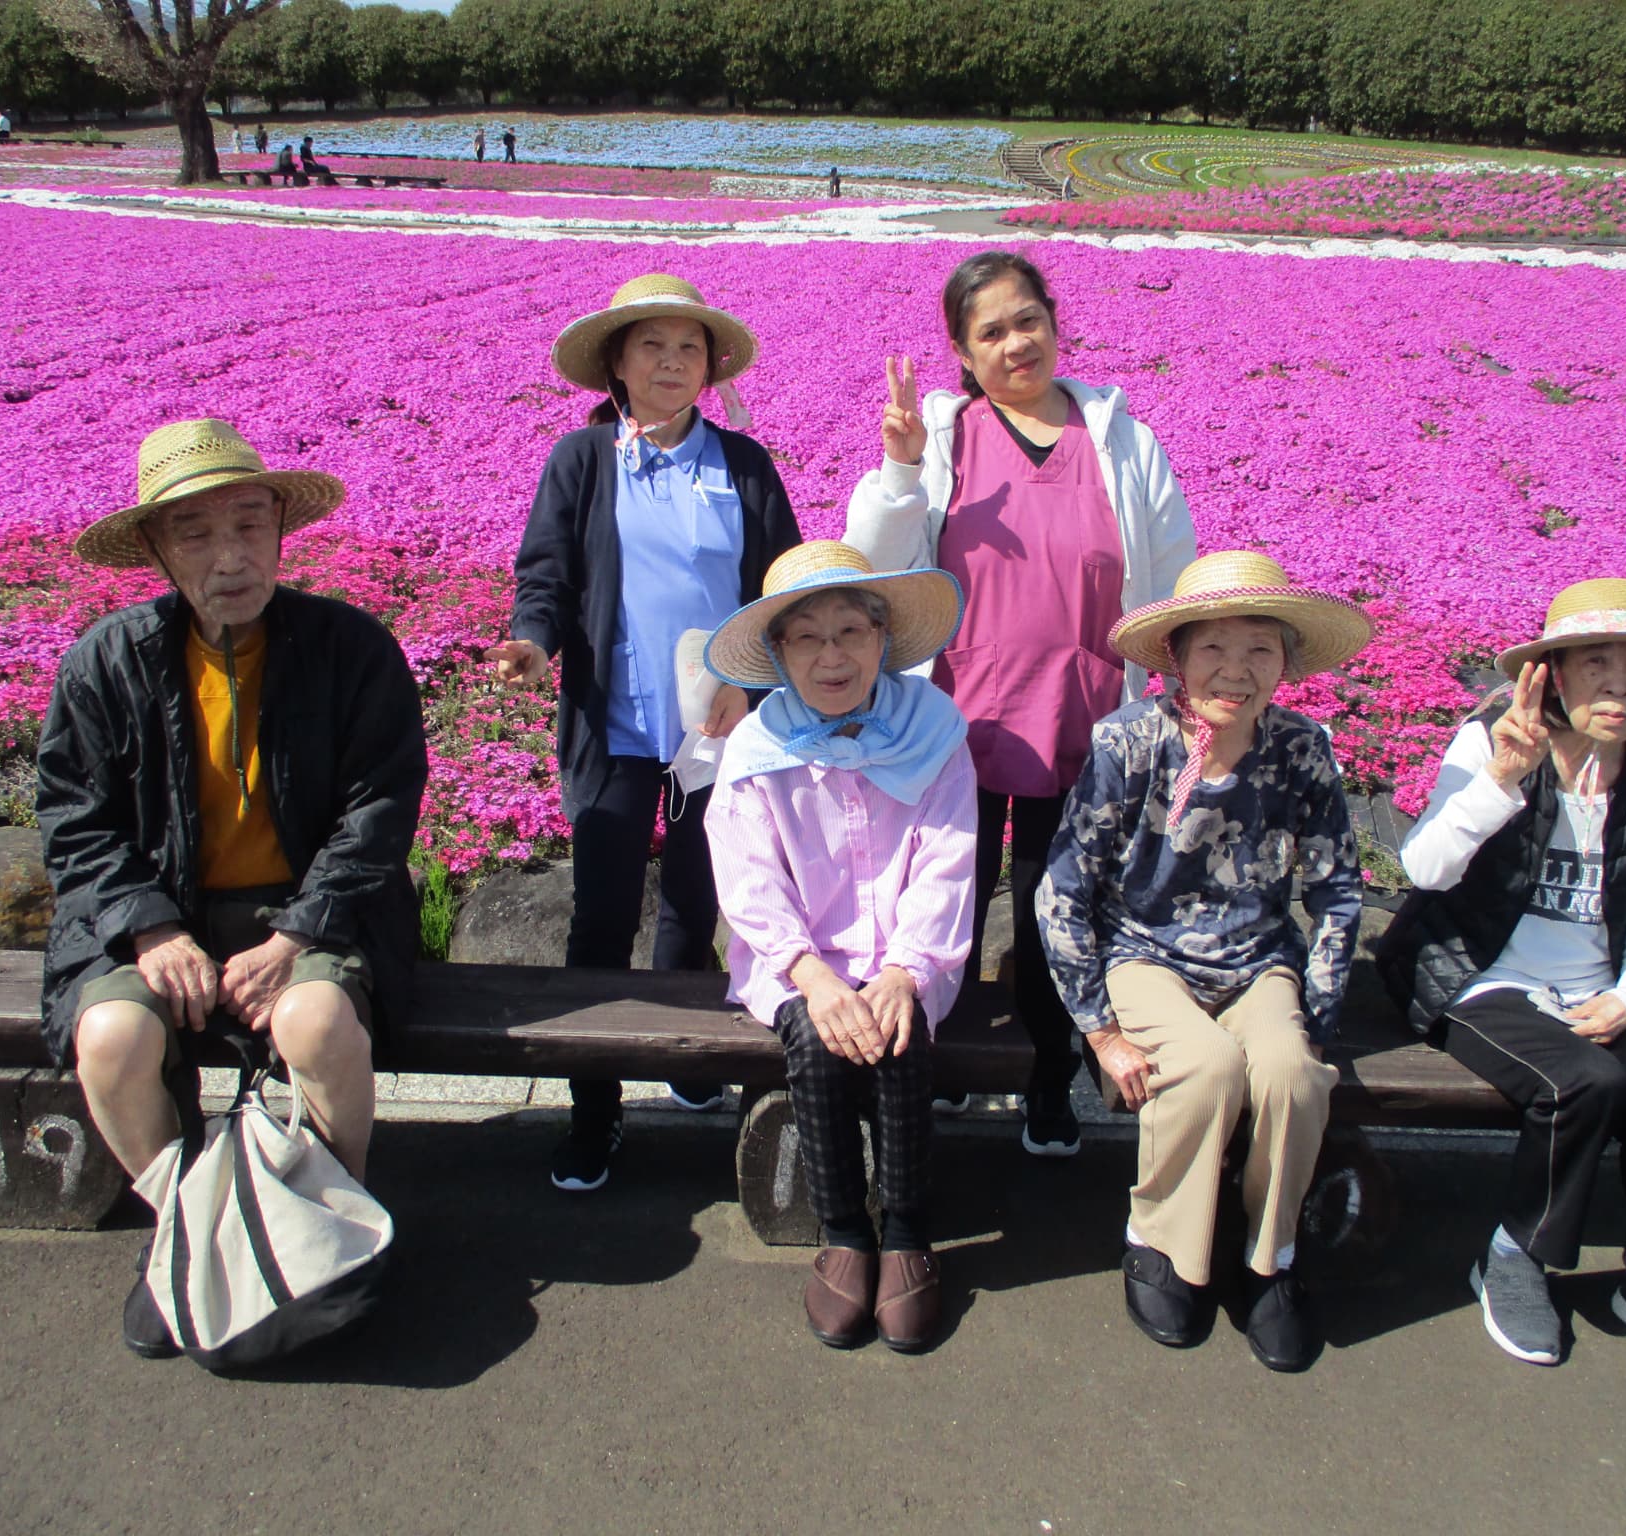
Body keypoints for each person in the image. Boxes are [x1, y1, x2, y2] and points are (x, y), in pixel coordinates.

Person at [37, 419, 427, 1359]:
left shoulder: (350, 647)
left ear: (281, 533)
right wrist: (149, 931)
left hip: (311, 911)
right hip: (156, 914)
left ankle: (328, 1237)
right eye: (198, 534)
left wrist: (297, 935)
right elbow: (74, 820)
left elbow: (379, 810)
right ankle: (193, 1231)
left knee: (316, 1026)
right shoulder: (108, 659)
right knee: (113, 1036)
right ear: (160, 550)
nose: (230, 556)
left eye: (250, 526)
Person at [844, 249, 1196, 1156]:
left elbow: (1171, 573)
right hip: (957, 720)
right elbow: (874, 569)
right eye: (990, 332)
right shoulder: (945, 436)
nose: (1015, 344)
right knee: (938, 904)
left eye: (1026, 320)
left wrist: (1174, 688)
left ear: (1053, 320)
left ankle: (1046, 1077)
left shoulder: (1121, 438)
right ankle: (945, 1069)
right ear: (963, 352)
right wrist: (899, 471)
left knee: (1052, 909)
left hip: (1080, 720)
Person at [1379, 578, 1626, 1396]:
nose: (1618, 683)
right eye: (1596, 663)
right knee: (1581, 1083)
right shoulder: (1490, 741)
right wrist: (1501, 781)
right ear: (1551, 674)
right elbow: (1424, 868)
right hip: (1479, 977)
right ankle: (1518, 1255)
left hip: (1593, 989)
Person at [496, 275, 801, 1193]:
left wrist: (750, 690)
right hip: (615, 725)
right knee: (599, 917)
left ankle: (685, 1057)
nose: (671, 363)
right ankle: (595, 1112)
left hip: (720, 726)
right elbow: (545, 572)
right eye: (650, 347)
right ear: (617, 365)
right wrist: (532, 641)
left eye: (688, 349)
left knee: (697, 905)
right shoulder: (581, 460)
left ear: (709, 367)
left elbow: (780, 592)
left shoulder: (743, 464)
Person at [1036, 551, 1369, 1372]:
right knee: (1206, 1067)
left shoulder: (1300, 748)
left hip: (1257, 959)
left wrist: (1316, 1021)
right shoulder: (1129, 741)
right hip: (1144, 954)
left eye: (1259, 649)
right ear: (1176, 659)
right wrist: (1101, 1032)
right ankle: (1160, 1243)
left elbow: (1336, 890)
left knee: (1290, 1074)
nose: (1236, 669)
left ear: (1285, 663)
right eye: (1212, 648)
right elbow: (1062, 892)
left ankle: (1269, 1260)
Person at [703, 543, 976, 1350]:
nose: (832, 656)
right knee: (821, 1045)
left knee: (897, 1034)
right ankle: (842, 1232)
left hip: (908, 950)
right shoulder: (754, 749)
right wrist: (814, 978)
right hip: (796, 959)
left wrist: (906, 969)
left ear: (882, 638)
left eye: (850, 632)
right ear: (779, 654)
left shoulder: (933, 729)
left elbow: (950, 855)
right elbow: (748, 880)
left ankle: (905, 1234)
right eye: (807, 638)